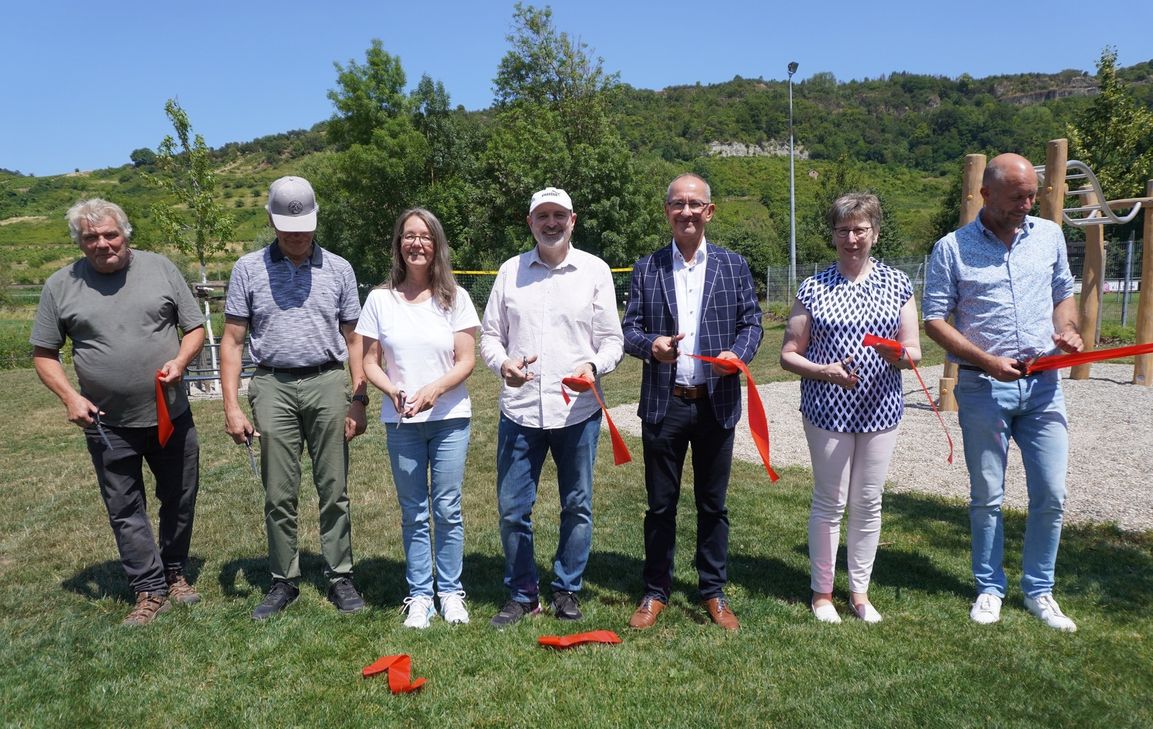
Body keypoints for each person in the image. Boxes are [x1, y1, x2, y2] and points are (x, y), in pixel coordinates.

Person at [923, 153, 1082, 632]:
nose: (1027, 204)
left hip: (1043, 387)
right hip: (983, 387)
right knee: (987, 495)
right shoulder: (951, 248)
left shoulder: (1049, 236)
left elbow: (1063, 293)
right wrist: (988, 361)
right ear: (986, 194)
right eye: (1017, 197)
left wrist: (1068, 330)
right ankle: (990, 588)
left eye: (1032, 196)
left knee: (1051, 492)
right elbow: (934, 320)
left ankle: (1039, 590)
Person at [31, 198, 205, 626]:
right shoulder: (60, 285)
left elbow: (194, 328)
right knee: (124, 508)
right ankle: (149, 588)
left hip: (169, 414)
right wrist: (70, 397)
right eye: (91, 237)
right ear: (79, 241)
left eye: (110, 234)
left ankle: (174, 571)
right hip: (106, 424)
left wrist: (180, 361)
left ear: (125, 234)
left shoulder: (160, 268)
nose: (102, 244)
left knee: (179, 497)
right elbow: (44, 353)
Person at [221, 175, 369, 620]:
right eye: (288, 227)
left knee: (334, 488)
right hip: (272, 385)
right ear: (271, 220)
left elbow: (355, 338)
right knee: (278, 492)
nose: (297, 235)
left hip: (327, 382)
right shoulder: (248, 269)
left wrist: (358, 397)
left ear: (316, 219)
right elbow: (232, 340)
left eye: (304, 226)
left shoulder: (340, 269)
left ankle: (340, 575)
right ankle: (283, 579)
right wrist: (231, 406)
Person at [621, 173, 762, 631]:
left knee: (713, 505)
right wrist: (651, 346)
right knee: (661, 506)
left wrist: (737, 356)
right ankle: (655, 590)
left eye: (694, 204)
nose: (686, 212)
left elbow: (752, 324)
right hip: (665, 404)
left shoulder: (733, 265)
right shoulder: (647, 267)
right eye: (678, 204)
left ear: (709, 211)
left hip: (715, 403)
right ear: (667, 211)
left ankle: (713, 591)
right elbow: (629, 329)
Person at [480, 186, 624, 628]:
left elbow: (612, 340)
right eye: (542, 215)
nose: (551, 223)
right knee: (512, 510)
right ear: (530, 222)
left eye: (559, 215)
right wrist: (503, 364)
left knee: (577, 505)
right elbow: (490, 336)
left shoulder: (595, 271)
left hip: (577, 412)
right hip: (520, 411)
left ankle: (566, 588)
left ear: (572, 220)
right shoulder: (510, 271)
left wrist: (593, 365)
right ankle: (523, 594)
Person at [779, 193, 921, 625]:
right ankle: (822, 593)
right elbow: (788, 354)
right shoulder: (813, 288)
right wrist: (824, 371)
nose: (852, 238)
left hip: (881, 409)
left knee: (868, 501)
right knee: (830, 500)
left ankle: (860, 593)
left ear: (875, 233)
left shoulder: (898, 284)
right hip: (828, 409)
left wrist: (901, 356)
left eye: (860, 229)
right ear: (834, 235)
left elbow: (914, 349)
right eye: (843, 230)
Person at [357, 208, 480, 628]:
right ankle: (420, 595)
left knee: (447, 508)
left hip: (450, 419)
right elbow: (369, 362)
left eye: (425, 237)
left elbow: (466, 360)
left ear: (436, 244)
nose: (416, 243)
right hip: (402, 423)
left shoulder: (456, 298)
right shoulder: (380, 300)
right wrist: (392, 390)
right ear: (398, 244)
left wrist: (435, 390)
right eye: (409, 236)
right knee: (414, 511)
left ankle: (451, 592)